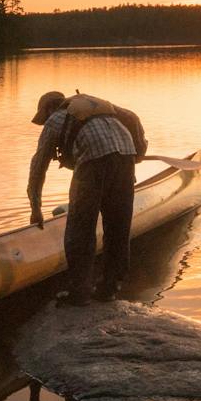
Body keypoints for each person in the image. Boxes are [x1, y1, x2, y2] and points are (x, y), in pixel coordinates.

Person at [27, 90, 147, 306]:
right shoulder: (96, 103)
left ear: (48, 109)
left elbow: (38, 166)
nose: (44, 121)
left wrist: (35, 207)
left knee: (80, 228)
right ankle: (108, 289)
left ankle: (79, 293)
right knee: (118, 226)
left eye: (43, 117)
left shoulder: (55, 119)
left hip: (93, 161)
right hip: (125, 156)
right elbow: (131, 117)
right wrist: (138, 152)